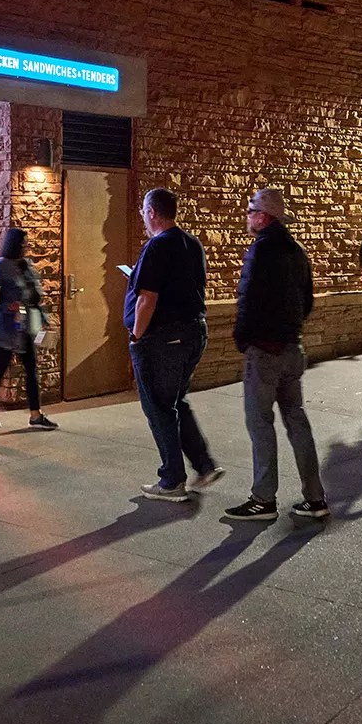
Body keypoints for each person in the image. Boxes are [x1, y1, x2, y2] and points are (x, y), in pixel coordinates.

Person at [224, 188, 328, 522]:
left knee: (260, 422)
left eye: (250, 211)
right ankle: (315, 497)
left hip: (265, 350)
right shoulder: (296, 250)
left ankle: (263, 499)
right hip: (292, 346)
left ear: (262, 217)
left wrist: (243, 339)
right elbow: (307, 299)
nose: (247, 217)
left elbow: (248, 297)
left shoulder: (261, 250)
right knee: (297, 420)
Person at [126, 188, 223, 501]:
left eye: (143, 211)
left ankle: (171, 480)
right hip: (193, 332)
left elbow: (147, 298)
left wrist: (136, 335)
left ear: (152, 212)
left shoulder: (157, 246)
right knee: (175, 401)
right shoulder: (192, 243)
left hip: (164, 338)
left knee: (158, 406)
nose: (143, 216)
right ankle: (204, 465)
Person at [0, 227, 58, 431]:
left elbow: (34, 295)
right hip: (5, 327)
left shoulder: (26, 265)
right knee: (0, 368)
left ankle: (36, 414)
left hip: (25, 326)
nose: (26, 247)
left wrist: (43, 317)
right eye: (23, 243)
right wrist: (7, 305)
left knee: (31, 369)